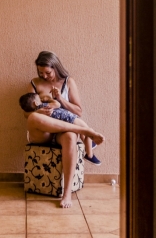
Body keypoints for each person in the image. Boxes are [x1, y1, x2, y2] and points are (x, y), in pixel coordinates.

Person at [23, 51, 105, 208]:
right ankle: (85, 131)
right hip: (43, 133)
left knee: (70, 137)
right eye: (41, 72)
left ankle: (67, 194)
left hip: (61, 132)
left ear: (56, 67)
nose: (44, 76)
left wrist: (60, 99)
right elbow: (26, 112)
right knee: (33, 118)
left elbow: (78, 111)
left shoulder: (68, 82)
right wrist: (39, 111)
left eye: (47, 72)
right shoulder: (34, 83)